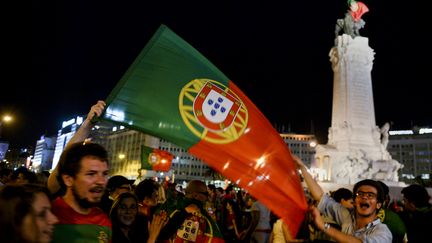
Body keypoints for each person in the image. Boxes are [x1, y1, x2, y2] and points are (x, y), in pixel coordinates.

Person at [47, 101, 113, 242]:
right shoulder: (47, 213)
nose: (101, 181)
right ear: (68, 179)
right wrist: (87, 124)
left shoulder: (104, 221)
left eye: (104, 174)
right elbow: (62, 165)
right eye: (91, 174)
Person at [294, 155, 392, 243]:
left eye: (370, 195)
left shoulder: (382, 232)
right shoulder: (347, 216)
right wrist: (302, 168)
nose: (364, 197)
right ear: (354, 201)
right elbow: (321, 197)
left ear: (379, 204)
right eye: (360, 194)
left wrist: (324, 226)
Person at [158, 179, 225, 242]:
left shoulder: (169, 205)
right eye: (206, 194)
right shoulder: (202, 216)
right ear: (195, 195)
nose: (207, 197)